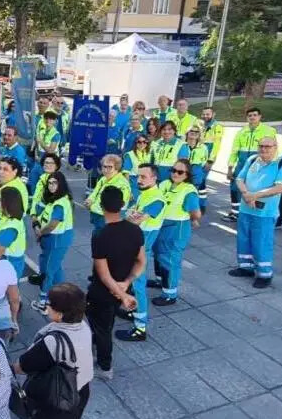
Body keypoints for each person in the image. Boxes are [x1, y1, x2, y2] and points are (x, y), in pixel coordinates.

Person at [16, 284, 93, 419]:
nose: (47, 306)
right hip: (81, 391)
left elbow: (24, 366)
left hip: (57, 398)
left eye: (50, 304)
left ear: (60, 314)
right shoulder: (83, 326)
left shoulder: (53, 341)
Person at [86, 186, 143, 378]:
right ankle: (98, 352)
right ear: (123, 205)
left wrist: (123, 295)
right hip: (121, 287)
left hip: (103, 291)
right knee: (107, 322)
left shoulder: (100, 235)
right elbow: (141, 261)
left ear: (102, 206)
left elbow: (103, 274)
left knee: (102, 329)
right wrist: (126, 284)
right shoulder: (135, 230)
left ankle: (105, 367)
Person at [227, 138, 282, 288]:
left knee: (262, 243)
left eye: (268, 146)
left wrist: (254, 196)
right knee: (243, 239)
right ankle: (245, 267)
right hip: (245, 208)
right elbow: (239, 179)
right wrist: (246, 193)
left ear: (275, 147)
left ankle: (264, 274)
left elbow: (279, 188)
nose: (264, 149)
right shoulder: (252, 159)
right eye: (261, 146)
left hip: (265, 213)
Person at [116, 164, 166, 341]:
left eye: (144, 177)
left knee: (138, 287)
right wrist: (130, 216)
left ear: (154, 178)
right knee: (132, 284)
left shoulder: (157, 199)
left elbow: (134, 220)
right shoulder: (144, 194)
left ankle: (140, 328)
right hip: (133, 247)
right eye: (138, 176)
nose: (139, 180)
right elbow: (129, 215)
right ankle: (133, 311)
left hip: (140, 253)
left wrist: (131, 216)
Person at [150, 159, 203, 305]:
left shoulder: (188, 190)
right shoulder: (165, 184)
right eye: (173, 170)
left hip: (176, 229)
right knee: (158, 254)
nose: (175, 174)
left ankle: (170, 294)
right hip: (161, 226)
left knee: (170, 260)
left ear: (187, 174)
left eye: (180, 172)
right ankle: (160, 281)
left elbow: (196, 213)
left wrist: (193, 219)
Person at [30, 171, 74, 314]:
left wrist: (40, 232)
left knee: (48, 271)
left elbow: (52, 225)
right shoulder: (57, 199)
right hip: (55, 240)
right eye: (49, 183)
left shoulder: (59, 204)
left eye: (55, 183)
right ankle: (63, 295)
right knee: (55, 269)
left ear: (61, 184)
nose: (51, 186)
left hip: (55, 241)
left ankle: (44, 303)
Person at [223, 108, 277, 222]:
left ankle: (253, 212)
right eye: (250, 115)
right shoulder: (241, 132)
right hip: (242, 163)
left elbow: (274, 149)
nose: (252, 117)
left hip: (259, 163)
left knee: (255, 187)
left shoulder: (269, 131)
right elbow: (234, 150)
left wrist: (271, 165)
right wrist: (230, 168)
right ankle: (235, 213)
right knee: (235, 188)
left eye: (255, 115)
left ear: (260, 116)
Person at [84, 154, 131, 238]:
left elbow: (117, 205)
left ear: (117, 168)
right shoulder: (103, 179)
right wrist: (90, 200)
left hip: (106, 218)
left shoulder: (122, 184)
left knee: (103, 239)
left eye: (110, 167)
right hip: (97, 214)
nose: (106, 170)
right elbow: (95, 192)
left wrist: (93, 206)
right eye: (104, 167)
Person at [0, 156, 29, 229]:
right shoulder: (10, 182)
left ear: (15, 171)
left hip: (0, 223)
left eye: (5, 169)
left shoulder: (12, 189)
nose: (0, 172)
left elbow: (11, 213)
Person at [0, 187, 27, 279]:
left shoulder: (10, 228)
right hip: (11, 262)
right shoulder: (10, 218)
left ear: (8, 202)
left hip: (8, 263)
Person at [177, 127, 209, 209]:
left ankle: (199, 207)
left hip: (196, 173)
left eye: (196, 131)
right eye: (191, 130)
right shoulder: (181, 145)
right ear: (187, 133)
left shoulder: (203, 147)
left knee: (194, 192)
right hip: (182, 171)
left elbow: (204, 161)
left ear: (199, 134)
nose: (194, 132)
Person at [199, 107, 224, 211]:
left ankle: (202, 204)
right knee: (198, 179)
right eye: (204, 114)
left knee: (201, 180)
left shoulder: (217, 126)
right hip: (199, 156)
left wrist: (210, 160)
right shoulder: (201, 125)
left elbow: (217, 144)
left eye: (208, 114)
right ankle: (198, 202)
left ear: (213, 114)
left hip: (208, 158)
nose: (205, 116)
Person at [30, 112, 61, 191]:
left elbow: (50, 151)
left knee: (46, 185)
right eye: (46, 118)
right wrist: (36, 155)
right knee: (33, 181)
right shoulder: (41, 131)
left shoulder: (56, 134)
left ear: (55, 121)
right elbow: (37, 145)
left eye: (51, 119)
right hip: (38, 161)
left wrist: (41, 141)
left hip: (49, 163)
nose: (48, 120)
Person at [122, 134, 152, 201]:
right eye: (139, 142)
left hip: (145, 183)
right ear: (135, 143)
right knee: (133, 203)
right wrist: (128, 191)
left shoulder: (148, 154)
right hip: (133, 183)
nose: (142, 144)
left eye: (144, 142)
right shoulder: (130, 155)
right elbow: (126, 174)